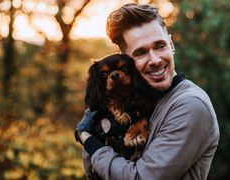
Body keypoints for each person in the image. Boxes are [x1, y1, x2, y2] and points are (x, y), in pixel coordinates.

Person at [75, 3, 219, 180]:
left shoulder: (190, 105)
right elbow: (91, 170)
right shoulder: (129, 102)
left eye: (160, 46)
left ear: (171, 44)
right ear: (127, 60)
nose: (155, 60)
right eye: (141, 52)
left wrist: (90, 142)